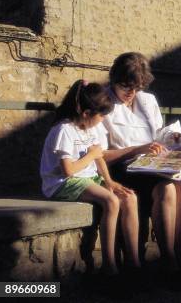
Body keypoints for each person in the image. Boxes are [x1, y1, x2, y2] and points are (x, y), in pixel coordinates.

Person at [102, 52, 181, 288]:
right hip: (124, 167)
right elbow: (101, 155)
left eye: (137, 87)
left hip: (153, 164)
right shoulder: (103, 103)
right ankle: (169, 260)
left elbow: (157, 134)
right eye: (126, 87)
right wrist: (137, 149)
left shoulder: (147, 100)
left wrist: (172, 138)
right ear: (114, 79)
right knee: (167, 191)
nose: (131, 93)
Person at [40, 80, 141, 277]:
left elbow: (99, 157)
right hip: (62, 183)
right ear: (86, 113)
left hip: (87, 178)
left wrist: (109, 181)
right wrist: (91, 156)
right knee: (111, 201)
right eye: (101, 115)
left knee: (129, 197)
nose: (103, 119)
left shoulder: (89, 126)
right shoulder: (64, 130)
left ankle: (134, 262)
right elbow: (68, 170)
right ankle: (109, 265)